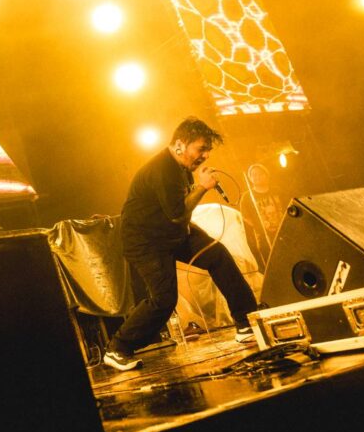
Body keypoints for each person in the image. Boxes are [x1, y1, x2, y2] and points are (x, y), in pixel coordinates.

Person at [102, 117, 258, 371]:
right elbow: (177, 213)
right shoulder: (162, 169)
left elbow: (177, 215)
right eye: (201, 149)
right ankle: (118, 347)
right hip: (146, 240)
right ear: (180, 144)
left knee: (217, 255)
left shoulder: (180, 167)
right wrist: (202, 187)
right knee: (164, 299)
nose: (205, 156)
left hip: (172, 232)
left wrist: (196, 187)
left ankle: (246, 323)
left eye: (208, 150)